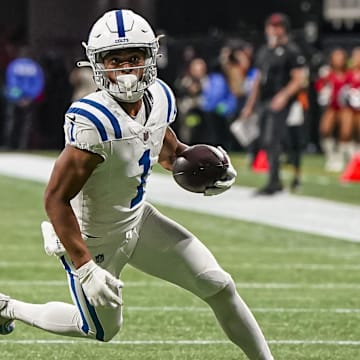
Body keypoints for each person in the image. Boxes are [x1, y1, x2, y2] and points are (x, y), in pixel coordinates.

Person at [0, 9, 274, 360]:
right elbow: (55, 198)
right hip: (94, 237)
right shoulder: (93, 122)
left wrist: (208, 168)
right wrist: (85, 268)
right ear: (98, 64)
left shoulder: (159, 96)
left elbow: (166, 149)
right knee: (100, 330)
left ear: (150, 57)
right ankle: (9, 307)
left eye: (135, 57)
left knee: (218, 285)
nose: (127, 68)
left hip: (138, 220)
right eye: (115, 60)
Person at [241, 13, 306, 195]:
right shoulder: (264, 51)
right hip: (264, 101)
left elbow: (299, 78)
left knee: (273, 139)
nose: (273, 30)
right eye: (271, 26)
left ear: (284, 29)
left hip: (282, 102)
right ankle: (275, 179)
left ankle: (275, 181)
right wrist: (249, 105)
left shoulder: (291, 51)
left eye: (277, 26)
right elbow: (257, 81)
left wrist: (284, 96)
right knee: (265, 140)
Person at [315, 47, 350, 172]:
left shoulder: (348, 74)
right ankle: (331, 156)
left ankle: (341, 156)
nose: (338, 59)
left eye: (340, 57)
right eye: (336, 56)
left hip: (346, 107)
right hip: (331, 106)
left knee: (346, 129)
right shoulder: (327, 73)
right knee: (325, 129)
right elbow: (319, 87)